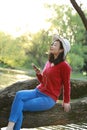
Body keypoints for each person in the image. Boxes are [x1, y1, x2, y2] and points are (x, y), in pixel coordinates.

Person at [6, 34, 72, 130]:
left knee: (20, 106)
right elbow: (44, 82)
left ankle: (10, 128)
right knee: (19, 95)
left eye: (55, 45)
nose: (52, 46)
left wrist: (66, 101)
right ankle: (10, 127)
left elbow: (67, 85)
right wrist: (39, 74)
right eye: (52, 44)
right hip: (38, 91)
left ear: (61, 50)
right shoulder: (49, 62)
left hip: (48, 98)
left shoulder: (65, 66)